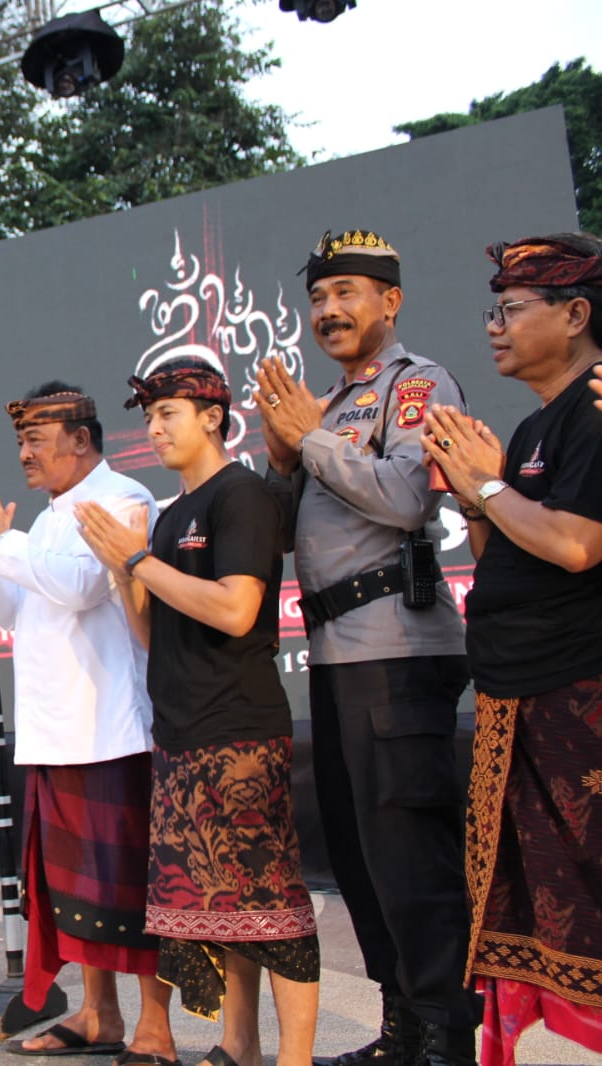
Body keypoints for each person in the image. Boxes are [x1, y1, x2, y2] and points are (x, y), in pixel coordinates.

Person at [254, 230, 478, 1066]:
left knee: (409, 853)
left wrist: (310, 439)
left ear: (390, 301)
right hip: (335, 653)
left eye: (346, 293)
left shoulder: (415, 384)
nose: (328, 311)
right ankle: (402, 1029)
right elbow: (283, 533)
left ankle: (446, 1037)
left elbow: (404, 498)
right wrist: (282, 459)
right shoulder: (322, 407)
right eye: (317, 297)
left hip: (397, 649)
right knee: (357, 854)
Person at [77, 361, 319, 1066]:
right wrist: (127, 570)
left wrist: (139, 562)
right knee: (219, 907)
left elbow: (237, 610)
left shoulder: (239, 495)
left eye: (168, 414)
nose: (153, 430)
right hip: (180, 733)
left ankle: (295, 1058)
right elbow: (156, 634)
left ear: (212, 416)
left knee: (269, 904)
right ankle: (237, 1047)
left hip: (238, 730)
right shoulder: (173, 510)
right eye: (147, 417)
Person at [0, 383, 176, 1064]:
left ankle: (155, 1029)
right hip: (53, 729)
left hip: (111, 730)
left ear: (81, 439)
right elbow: (14, 612)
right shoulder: (43, 519)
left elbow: (80, 586)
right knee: (76, 895)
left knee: (131, 890)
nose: (24, 454)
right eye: (19, 441)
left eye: (36, 439)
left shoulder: (124, 499)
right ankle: (99, 1017)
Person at [422, 233, 602, 1066]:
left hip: (577, 698)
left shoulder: (595, 409)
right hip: (514, 695)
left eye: (508, 309)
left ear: (574, 315)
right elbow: (512, 557)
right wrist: (480, 496)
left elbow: (571, 547)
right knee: (536, 903)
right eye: (490, 310)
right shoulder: (533, 423)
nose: (491, 326)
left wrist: (488, 484)